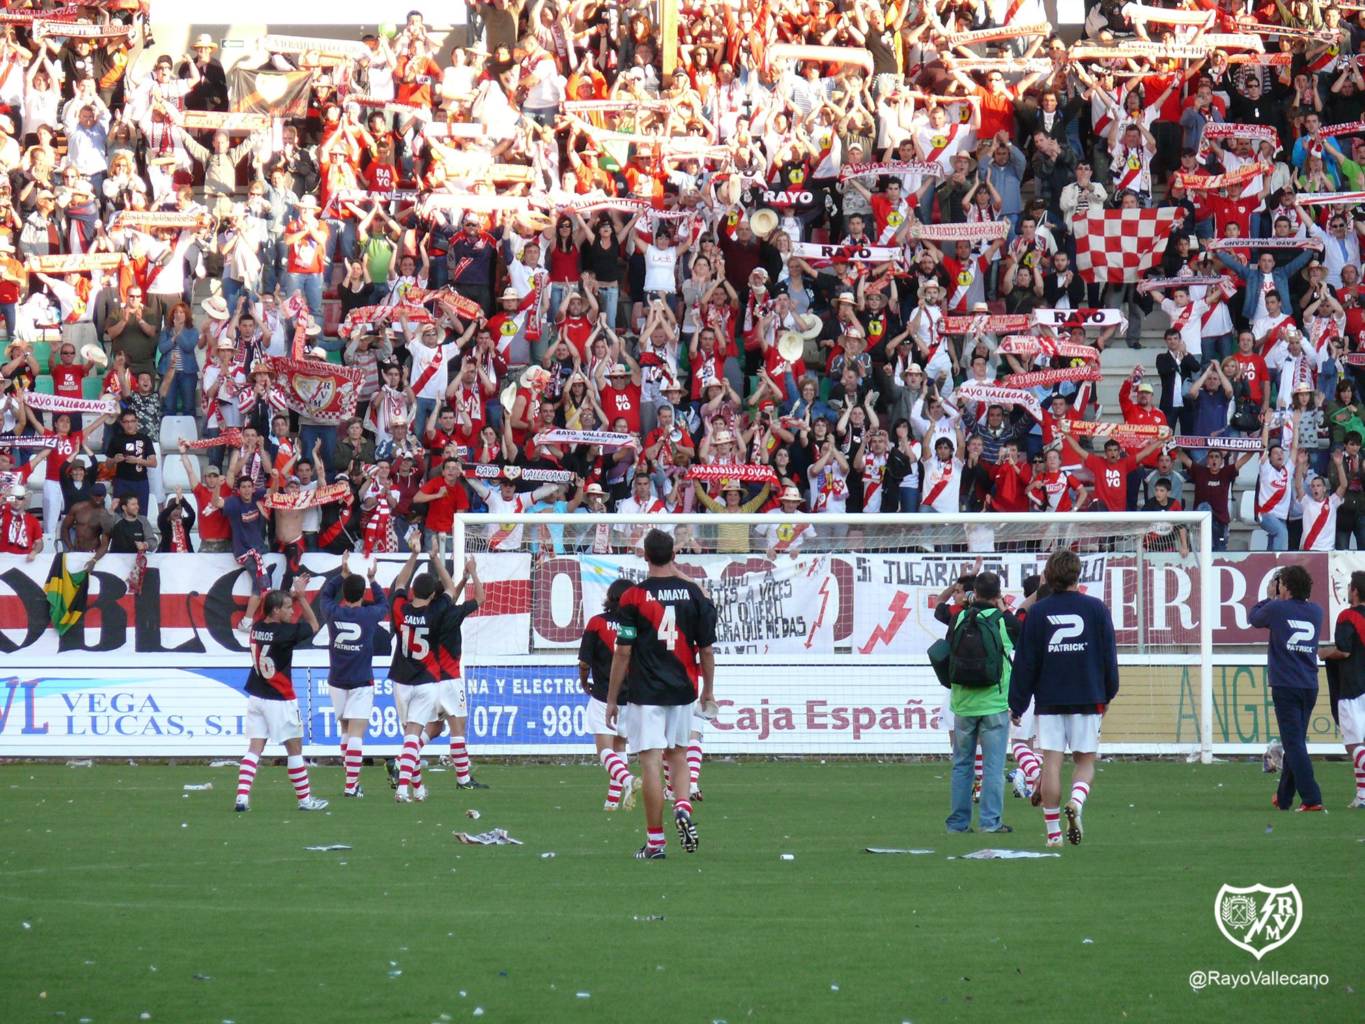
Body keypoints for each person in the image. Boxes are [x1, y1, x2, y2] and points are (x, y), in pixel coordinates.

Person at [605, 528, 717, 860]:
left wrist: (612, 699)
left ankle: (656, 843)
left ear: (644, 556)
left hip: (645, 691)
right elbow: (707, 650)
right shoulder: (694, 595)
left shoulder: (632, 598)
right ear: (673, 555)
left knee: (650, 763)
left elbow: (623, 651)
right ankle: (682, 805)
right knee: (679, 755)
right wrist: (708, 692)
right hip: (683, 689)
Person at [1010, 550, 1119, 848]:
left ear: (1048, 575)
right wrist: (1109, 692)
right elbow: (1109, 654)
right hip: (1088, 695)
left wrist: (1018, 704)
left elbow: (1025, 663)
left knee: (1051, 765)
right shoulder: (1096, 608)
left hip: (1050, 700)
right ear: (1077, 575)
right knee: (1085, 761)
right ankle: (1077, 802)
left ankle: (1054, 834)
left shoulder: (1037, 613)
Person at [387, 533, 486, 801]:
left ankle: (404, 770)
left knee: (427, 730)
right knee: (456, 727)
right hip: (442, 677)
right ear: (435, 596)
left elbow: (401, 582)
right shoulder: (445, 612)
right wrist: (469, 572)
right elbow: (475, 597)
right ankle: (463, 779)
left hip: (404, 678)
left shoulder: (405, 609)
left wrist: (415, 554)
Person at [234, 575, 327, 813]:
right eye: (287, 608)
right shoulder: (284, 633)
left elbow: (278, 618)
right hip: (280, 698)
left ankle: (242, 797)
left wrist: (291, 597)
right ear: (275, 611)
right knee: (294, 749)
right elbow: (314, 625)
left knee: (255, 748)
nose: (291, 611)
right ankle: (305, 800)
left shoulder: (257, 628)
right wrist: (303, 599)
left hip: (256, 695)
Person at [943, 571, 1020, 835]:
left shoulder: (959, 618)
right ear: (998, 594)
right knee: (993, 766)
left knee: (962, 764)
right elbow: (1019, 640)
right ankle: (990, 822)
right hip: (994, 702)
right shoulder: (1003, 621)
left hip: (963, 702)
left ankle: (957, 823)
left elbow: (946, 651)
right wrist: (1004, 608)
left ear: (973, 592)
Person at [1250, 565, 1325, 812]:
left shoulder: (1277, 607)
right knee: (1296, 743)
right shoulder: (1316, 611)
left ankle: (1312, 797)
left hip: (1286, 684)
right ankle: (1283, 798)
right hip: (1309, 684)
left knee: (1293, 744)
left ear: (1285, 586)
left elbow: (1254, 618)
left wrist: (1270, 596)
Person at [317, 551, 391, 798]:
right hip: (360, 681)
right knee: (357, 733)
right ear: (362, 595)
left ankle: (351, 783)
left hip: (337, 680)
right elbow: (385, 605)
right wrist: (373, 580)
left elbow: (325, 594)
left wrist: (341, 574)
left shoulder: (332, 612)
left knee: (346, 731)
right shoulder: (368, 615)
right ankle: (351, 787)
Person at [578, 578, 639, 811]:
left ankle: (628, 781)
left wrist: (584, 682)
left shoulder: (596, 624)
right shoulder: (637, 625)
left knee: (604, 751)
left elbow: (584, 662)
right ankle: (612, 802)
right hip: (631, 696)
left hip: (604, 694)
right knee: (620, 746)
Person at [1320, 570, 1365, 808]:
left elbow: (1344, 651)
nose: (1348, 590)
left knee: (1353, 745)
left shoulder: (1347, 617)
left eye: (1350, 587)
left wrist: (1324, 653)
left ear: (1355, 591)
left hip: (1352, 688)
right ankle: (1362, 796)